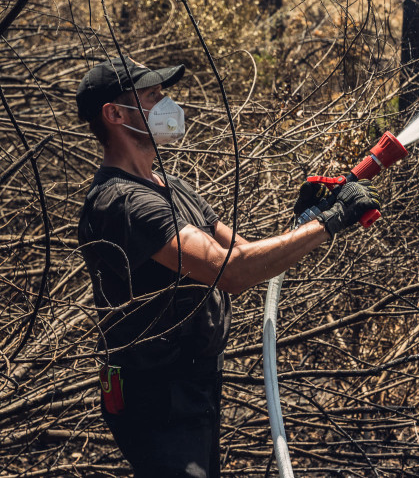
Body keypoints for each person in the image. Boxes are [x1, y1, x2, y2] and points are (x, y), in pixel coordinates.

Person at [76, 57, 379, 478]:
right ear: (115, 114)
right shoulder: (122, 203)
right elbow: (230, 272)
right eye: (152, 96)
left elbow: (246, 254)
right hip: (156, 395)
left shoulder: (170, 186)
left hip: (193, 384)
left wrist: (307, 219)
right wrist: (331, 221)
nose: (168, 105)